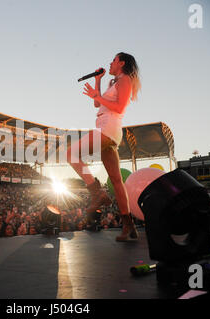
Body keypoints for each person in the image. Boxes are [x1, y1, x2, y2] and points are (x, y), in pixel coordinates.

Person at [67, 52, 141, 241]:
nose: (110, 63)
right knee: (117, 181)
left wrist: (97, 96)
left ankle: (97, 192)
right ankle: (129, 226)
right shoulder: (113, 82)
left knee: (71, 154)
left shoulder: (125, 80)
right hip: (106, 126)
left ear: (121, 63)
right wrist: (98, 83)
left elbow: (119, 108)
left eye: (113, 60)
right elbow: (96, 103)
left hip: (109, 126)